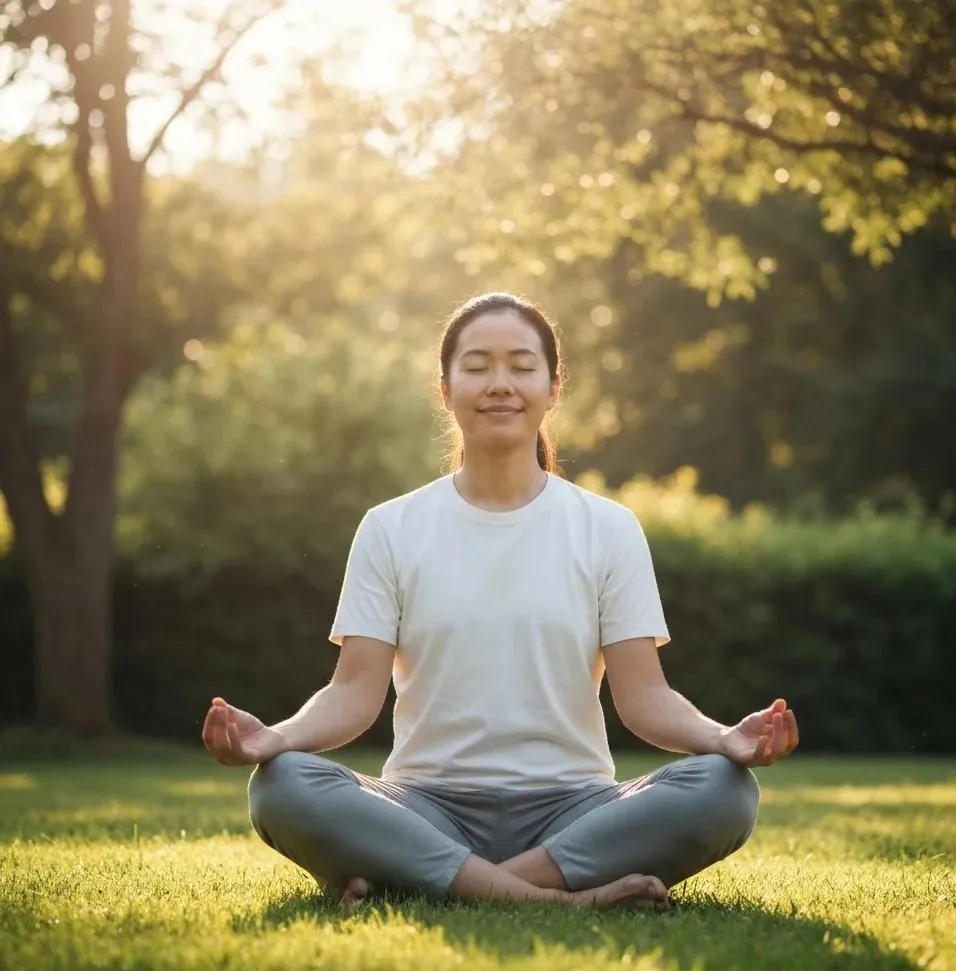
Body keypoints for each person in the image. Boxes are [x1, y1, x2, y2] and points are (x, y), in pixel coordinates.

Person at [201, 291, 799, 910]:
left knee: (725, 790)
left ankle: (428, 880)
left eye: (520, 365)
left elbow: (643, 698)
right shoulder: (391, 527)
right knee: (282, 785)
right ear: (445, 389)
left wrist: (723, 738)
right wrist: (277, 738)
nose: (500, 384)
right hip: (425, 807)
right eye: (478, 365)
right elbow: (354, 694)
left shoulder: (608, 528)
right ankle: (554, 897)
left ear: (553, 387)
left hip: (572, 812)